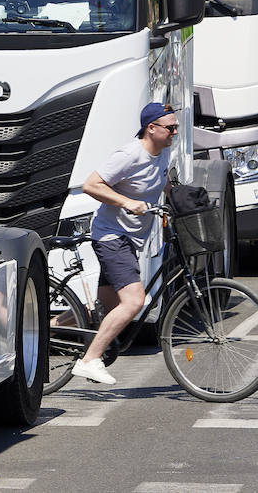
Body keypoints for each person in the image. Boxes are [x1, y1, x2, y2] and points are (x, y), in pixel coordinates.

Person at [70, 101, 178, 385]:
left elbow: (163, 181)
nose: (175, 132)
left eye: (175, 127)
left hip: (131, 239)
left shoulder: (163, 152)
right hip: (111, 236)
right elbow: (90, 185)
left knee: (105, 310)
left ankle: (43, 330)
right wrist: (127, 202)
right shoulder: (130, 155)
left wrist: (181, 195)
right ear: (151, 128)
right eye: (170, 127)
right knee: (134, 301)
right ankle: (89, 360)